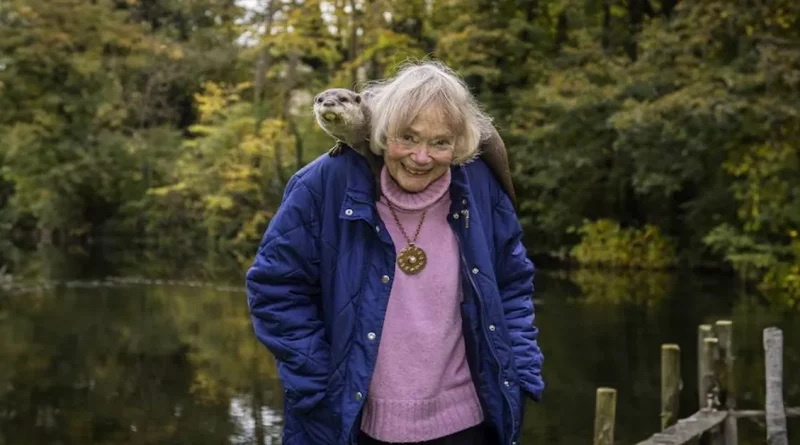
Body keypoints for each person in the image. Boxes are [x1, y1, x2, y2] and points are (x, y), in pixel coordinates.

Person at [245, 60, 544, 445]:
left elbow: (513, 285)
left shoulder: (480, 188)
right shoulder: (321, 186)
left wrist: (520, 372)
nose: (421, 157)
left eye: (439, 142)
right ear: (382, 131)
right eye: (408, 137)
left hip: (471, 425)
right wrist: (321, 383)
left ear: (459, 143)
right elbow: (274, 290)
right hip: (352, 424)